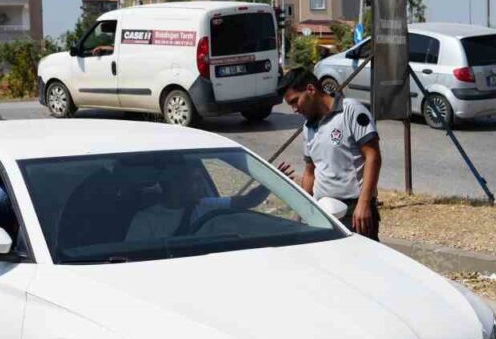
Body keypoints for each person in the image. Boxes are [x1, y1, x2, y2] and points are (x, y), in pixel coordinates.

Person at [278, 68, 382, 240]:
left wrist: (363, 204)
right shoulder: (307, 127)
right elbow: (310, 172)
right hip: (323, 212)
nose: (295, 109)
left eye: (295, 101)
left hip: (354, 212)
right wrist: (301, 212)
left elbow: (373, 156)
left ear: (311, 90)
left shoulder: (351, 110)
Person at [125, 160, 273, 241]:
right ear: (175, 184)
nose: (201, 185)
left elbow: (247, 201)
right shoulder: (145, 220)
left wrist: (270, 184)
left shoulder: (205, 206)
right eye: (195, 180)